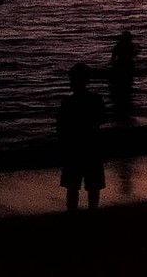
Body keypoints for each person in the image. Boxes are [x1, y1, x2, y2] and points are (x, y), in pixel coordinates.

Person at [58, 62, 107, 212]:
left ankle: (73, 214)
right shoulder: (96, 99)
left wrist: (62, 147)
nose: (70, 82)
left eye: (72, 79)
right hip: (92, 146)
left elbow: (61, 128)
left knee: (73, 186)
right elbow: (103, 119)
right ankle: (92, 213)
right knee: (93, 186)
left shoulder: (67, 102)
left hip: (74, 148)